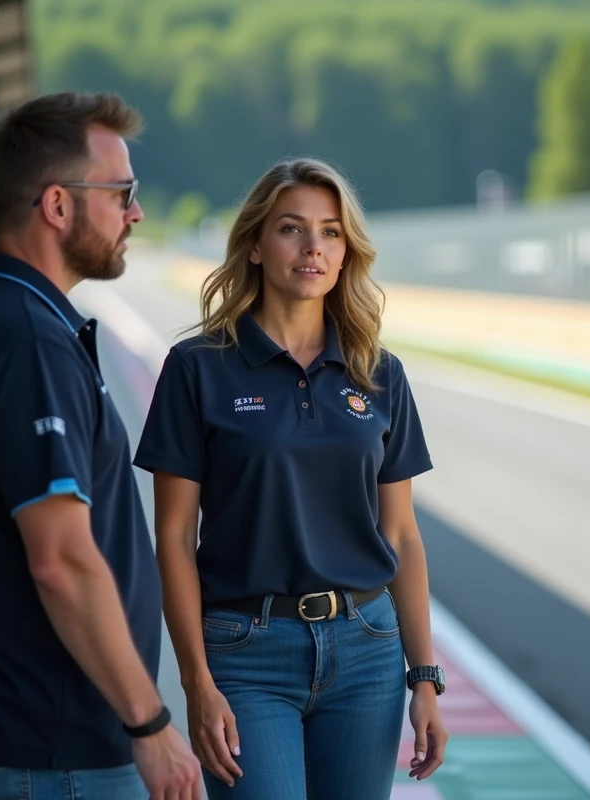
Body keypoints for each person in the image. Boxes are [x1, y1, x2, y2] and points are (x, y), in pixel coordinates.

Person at [132, 157, 449, 799]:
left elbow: (402, 537)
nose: (313, 248)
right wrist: (197, 681)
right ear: (254, 244)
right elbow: (172, 538)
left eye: (331, 232)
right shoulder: (197, 368)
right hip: (245, 653)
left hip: (367, 651)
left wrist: (423, 676)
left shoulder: (379, 372)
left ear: (347, 251)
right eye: (291, 229)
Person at [0, 91, 201, 800]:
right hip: (55, 740)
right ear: (58, 205)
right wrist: (151, 723)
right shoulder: (25, 341)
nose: (135, 212)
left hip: (20, 725)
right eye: (122, 192)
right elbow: (62, 561)